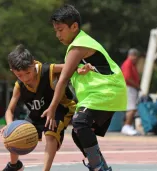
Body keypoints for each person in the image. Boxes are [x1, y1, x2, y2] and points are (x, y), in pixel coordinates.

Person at [41, 5, 127, 171]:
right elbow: (80, 69)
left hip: (106, 91)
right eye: (55, 31)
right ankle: (102, 168)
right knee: (78, 132)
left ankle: (98, 167)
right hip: (104, 93)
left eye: (60, 30)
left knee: (80, 122)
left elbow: (64, 78)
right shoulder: (80, 44)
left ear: (74, 27)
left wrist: (52, 108)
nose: (58, 35)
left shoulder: (78, 45)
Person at [0, 44, 92, 171]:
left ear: (33, 64)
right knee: (14, 134)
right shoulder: (19, 86)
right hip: (37, 113)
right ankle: (15, 165)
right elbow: (9, 110)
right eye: (19, 75)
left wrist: (80, 69)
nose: (25, 78)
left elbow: (69, 66)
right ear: (12, 71)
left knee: (50, 134)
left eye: (28, 73)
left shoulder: (47, 70)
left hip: (60, 107)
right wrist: (10, 125)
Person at [121, 48, 140, 136]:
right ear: (132, 55)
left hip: (131, 88)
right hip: (129, 88)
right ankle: (127, 126)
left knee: (132, 108)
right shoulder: (128, 63)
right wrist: (137, 86)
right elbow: (127, 78)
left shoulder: (131, 64)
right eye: (135, 57)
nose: (136, 59)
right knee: (131, 108)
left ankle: (127, 126)